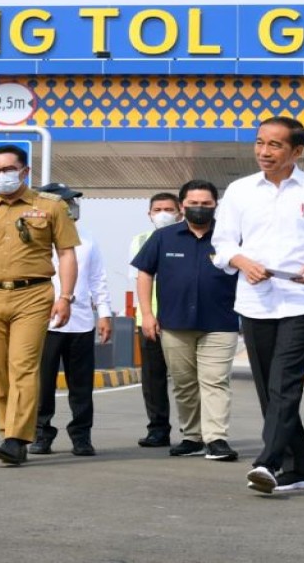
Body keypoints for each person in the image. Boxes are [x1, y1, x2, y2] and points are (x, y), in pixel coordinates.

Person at [212, 116, 304, 495]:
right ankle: (301, 469)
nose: (264, 152)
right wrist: (242, 261)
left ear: (297, 151)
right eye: (260, 143)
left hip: (302, 299)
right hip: (255, 300)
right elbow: (223, 245)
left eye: (275, 145)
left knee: (285, 386)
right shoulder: (239, 191)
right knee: (268, 391)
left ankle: (267, 462)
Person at [0, 144, 79, 467]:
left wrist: (65, 298)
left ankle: (15, 438)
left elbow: (66, 253)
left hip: (33, 295)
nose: (1, 175)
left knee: (23, 364)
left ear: (24, 172)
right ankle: (11, 433)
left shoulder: (50, 207)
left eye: (8, 169)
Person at [133, 180, 241, 462]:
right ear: (183, 206)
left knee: (215, 381)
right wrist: (147, 314)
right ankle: (192, 437)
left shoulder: (230, 238)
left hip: (220, 322)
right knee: (184, 383)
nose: (200, 208)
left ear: (216, 205)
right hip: (174, 323)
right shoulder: (163, 238)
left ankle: (216, 438)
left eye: (206, 204)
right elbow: (145, 274)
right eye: (193, 203)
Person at [29, 182, 113, 458]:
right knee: (42, 384)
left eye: (73, 202)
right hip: (43, 323)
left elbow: (97, 278)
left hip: (80, 323)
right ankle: (41, 434)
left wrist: (104, 313)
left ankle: (81, 436)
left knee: (81, 385)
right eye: (65, 203)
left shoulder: (87, 238)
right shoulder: (32, 234)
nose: (72, 207)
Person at [127, 192, 183, 448]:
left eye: (168, 209)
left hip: (183, 320)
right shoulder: (140, 240)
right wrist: (148, 315)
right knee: (153, 378)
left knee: (188, 379)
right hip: (150, 320)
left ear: (179, 212)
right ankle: (158, 429)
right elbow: (140, 279)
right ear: (149, 214)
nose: (163, 214)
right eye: (157, 209)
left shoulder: (191, 237)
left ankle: (196, 430)